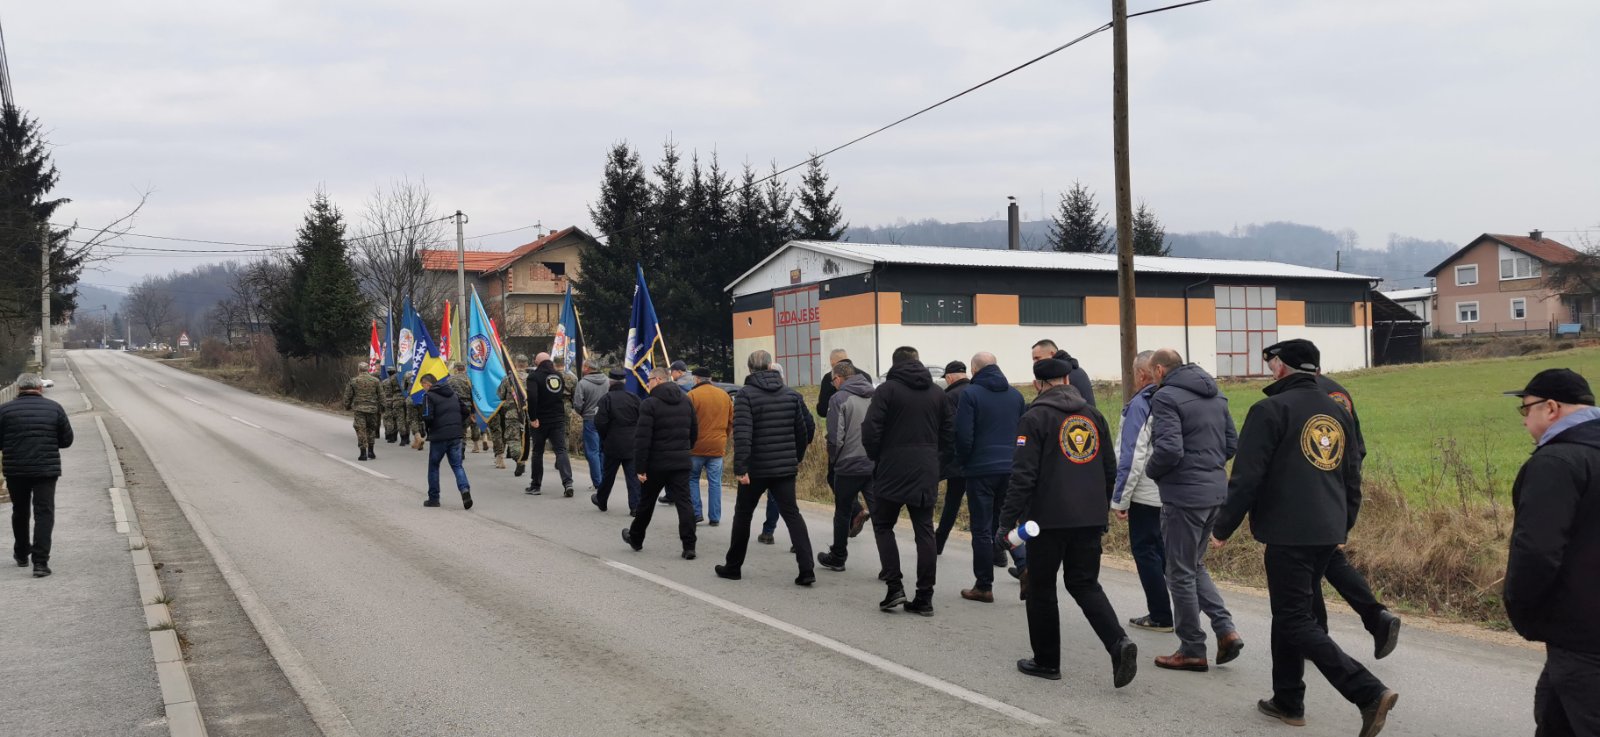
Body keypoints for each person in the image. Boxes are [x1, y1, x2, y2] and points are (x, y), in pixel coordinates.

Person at [1212, 345, 1397, 736]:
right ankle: (1288, 700)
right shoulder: (1337, 410)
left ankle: (1367, 692)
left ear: (1281, 368)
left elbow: (1246, 477)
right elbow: (1352, 475)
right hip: (1327, 529)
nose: (1270, 370)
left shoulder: (1269, 410)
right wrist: (1343, 524)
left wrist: (1222, 527)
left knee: (1294, 618)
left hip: (1288, 531)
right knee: (1290, 612)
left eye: (1271, 365)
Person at [999, 356, 1136, 687]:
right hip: (1088, 517)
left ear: (1038, 384)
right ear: (1068, 381)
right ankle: (1118, 643)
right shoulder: (1093, 415)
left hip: (1047, 520)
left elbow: (1023, 475)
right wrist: (1101, 509)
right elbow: (1109, 468)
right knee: (1085, 583)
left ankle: (1047, 661)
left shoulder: (1034, 418)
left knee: (1041, 587)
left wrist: (1005, 521)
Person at [1268, 339, 1402, 659]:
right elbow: (1355, 450)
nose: (1273, 372)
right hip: (1334, 490)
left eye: (1274, 366)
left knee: (1310, 560)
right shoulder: (1335, 391)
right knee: (1324, 560)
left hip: (1311, 492)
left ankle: (1325, 630)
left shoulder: (1311, 395)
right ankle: (1367, 619)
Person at [1503, 368, 1600, 737]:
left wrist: (1522, 611)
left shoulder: (1556, 463)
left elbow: (1536, 552)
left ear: (1552, 408)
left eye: (1526, 409)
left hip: (1581, 636)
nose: (1524, 419)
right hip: (1579, 637)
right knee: (1553, 717)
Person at [1144, 348, 1243, 672]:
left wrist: (1153, 471)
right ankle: (1226, 630)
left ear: (1160, 370)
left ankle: (1191, 648)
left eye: (1152, 372)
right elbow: (1231, 443)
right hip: (1214, 492)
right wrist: (1208, 468)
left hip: (1184, 496)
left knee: (1179, 573)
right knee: (1193, 565)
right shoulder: (1216, 395)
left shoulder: (1166, 397)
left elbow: (1169, 449)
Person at [862, 346, 951, 615]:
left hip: (892, 466)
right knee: (924, 531)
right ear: (918, 361)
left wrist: (878, 456)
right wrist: (935, 460)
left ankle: (894, 587)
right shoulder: (937, 392)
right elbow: (949, 433)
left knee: (883, 526)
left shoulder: (887, 391)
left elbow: (871, 429)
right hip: (926, 468)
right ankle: (925, 596)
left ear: (894, 364)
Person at [717, 350, 818, 586]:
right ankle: (807, 570)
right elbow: (803, 430)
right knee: (792, 515)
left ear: (750, 368)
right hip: (784, 468)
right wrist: (796, 457)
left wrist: (741, 468)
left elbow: (743, 435)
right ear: (771, 366)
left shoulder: (746, 395)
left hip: (756, 469)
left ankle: (733, 567)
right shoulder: (791, 394)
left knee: (743, 515)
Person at [952, 352, 1025, 603]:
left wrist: (963, 462)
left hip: (981, 469)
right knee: (1008, 524)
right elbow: (1022, 432)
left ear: (974, 370)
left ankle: (984, 585)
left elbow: (963, 435)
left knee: (982, 529)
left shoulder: (970, 394)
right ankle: (1025, 567)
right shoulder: (1016, 396)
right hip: (1010, 468)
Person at [1110, 350, 1172, 633]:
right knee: (1168, 553)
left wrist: (1120, 499)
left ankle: (1160, 614)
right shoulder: (1175, 399)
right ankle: (1188, 612)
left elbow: (1132, 455)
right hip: (1175, 492)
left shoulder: (1140, 404)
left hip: (1146, 493)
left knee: (1147, 552)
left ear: (1142, 374)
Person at [1, 373, 74, 578]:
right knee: (44, 513)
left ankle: (21, 553)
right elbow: (67, 440)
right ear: (40, 388)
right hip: (46, 470)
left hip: (15, 470)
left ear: (18, 389)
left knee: (20, 510)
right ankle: (40, 563)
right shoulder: (54, 408)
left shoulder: (4, 410)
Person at [623, 368, 699, 558]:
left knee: (646, 502)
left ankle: (636, 538)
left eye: (649, 380)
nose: (647, 383)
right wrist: (685, 449)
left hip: (656, 463)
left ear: (657, 380)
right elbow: (694, 431)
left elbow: (642, 439)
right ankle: (689, 546)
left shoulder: (650, 404)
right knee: (684, 503)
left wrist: (640, 467)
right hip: (681, 461)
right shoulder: (686, 401)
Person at [817, 361, 876, 573]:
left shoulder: (838, 398)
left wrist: (834, 459)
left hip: (848, 464)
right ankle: (890, 566)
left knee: (842, 512)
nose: (833, 385)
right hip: (873, 463)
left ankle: (838, 557)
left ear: (839, 378)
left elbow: (836, 436)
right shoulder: (875, 395)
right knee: (880, 515)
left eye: (833, 381)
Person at [592, 368, 643, 515]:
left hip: (613, 442)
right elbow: (642, 419)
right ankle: (635, 506)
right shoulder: (634, 398)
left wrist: (606, 437)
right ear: (625, 382)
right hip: (632, 443)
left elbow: (600, 422)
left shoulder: (606, 399)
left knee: (608, 475)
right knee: (633, 476)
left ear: (610, 382)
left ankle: (602, 500)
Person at [934, 360, 972, 555]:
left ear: (949, 377)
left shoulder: (949, 396)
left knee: (952, 502)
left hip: (956, 459)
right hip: (978, 459)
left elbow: (947, 430)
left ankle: (938, 543)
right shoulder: (977, 391)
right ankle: (996, 550)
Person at [686, 366, 733, 526]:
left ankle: (696, 513)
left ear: (697, 379)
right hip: (717, 446)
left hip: (696, 447)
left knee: (692, 479)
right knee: (715, 482)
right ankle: (715, 517)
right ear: (710, 379)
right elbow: (731, 421)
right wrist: (724, 436)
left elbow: (687, 421)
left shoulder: (692, 395)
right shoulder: (724, 395)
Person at [418, 374, 472, 510]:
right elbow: (465, 411)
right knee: (457, 466)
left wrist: (428, 428)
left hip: (439, 436)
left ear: (427, 384)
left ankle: (434, 498)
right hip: (455, 435)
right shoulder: (453, 394)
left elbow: (427, 416)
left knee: (434, 466)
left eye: (422, 385)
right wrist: (456, 424)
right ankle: (465, 490)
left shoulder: (428, 396)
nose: (423, 388)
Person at [525, 353, 575, 496]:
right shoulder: (558, 376)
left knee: (537, 452)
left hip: (540, 420)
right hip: (558, 418)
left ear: (537, 362)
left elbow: (532, 397)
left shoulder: (534, 377)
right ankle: (568, 483)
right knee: (561, 450)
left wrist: (533, 417)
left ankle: (536, 485)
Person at [573, 360, 609, 491]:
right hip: (606, 419)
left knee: (592, 451)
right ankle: (604, 479)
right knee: (602, 450)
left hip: (590, 418)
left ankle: (597, 482)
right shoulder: (607, 381)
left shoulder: (582, 383)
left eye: (583, 366)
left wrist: (582, 412)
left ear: (587, 368)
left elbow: (577, 403)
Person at [1030, 339, 1095, 408]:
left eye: (1037, 358)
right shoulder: (1076, 369)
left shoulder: (1059, 374)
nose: (1035, 363)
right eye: (1033, 359)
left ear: (1052, 354)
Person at [492, 355, 529, 473]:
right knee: (526, 439)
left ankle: (519, 459)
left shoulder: (508, 378)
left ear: (516, 363)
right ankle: (523, 457)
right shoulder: (531, 378)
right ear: (526, 364)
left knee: (513, 439)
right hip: (528, 414)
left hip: (512, 414)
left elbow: (500, 395)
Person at [343, 361, 383, 461]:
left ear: (359, 370)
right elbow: (381, 395)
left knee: (361, 430)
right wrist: (383, 407)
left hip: (359, 409)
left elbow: (348, 395)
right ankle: (371, 451)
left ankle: (363, 453)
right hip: (372, 409)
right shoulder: (375, 381)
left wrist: (347, 406)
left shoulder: (353, 381)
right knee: (371, 429)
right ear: (368, 369)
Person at [446, 363, 484, 454]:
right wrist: (473, 410)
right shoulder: (470, 379)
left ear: (455, 369)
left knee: (458, 428)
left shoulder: (449, 380)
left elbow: (446, 394)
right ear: (464, 369)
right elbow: (474, 396)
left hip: (454, 406)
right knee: (469, 426)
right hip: (468, 406)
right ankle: (469, 446)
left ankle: (459, 448)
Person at [815, 348, 851, 418]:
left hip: (837, 422)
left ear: (833, 363)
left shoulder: (828, 378)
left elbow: (823, 410)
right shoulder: (864, 376)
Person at [380, 367, 404, 444]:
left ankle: (390, 436)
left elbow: (381, 393)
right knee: (397, 418)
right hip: (396, 399)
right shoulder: (398, 380)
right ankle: (398, 435)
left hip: (387, 401)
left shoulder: (385, 382)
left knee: (389, 419)